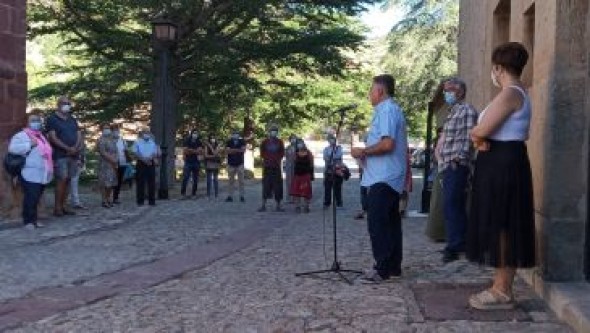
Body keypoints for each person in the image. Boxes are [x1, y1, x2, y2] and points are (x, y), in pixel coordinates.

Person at [467, 42, 535, 310]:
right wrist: (479, 137)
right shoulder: (516, 92)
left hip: (502, 163)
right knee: (501, 222)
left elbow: (482, 129)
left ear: (498, 67)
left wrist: (478, 136)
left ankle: (503, 290)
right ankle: (500, 285)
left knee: (504, 224)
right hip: (501, 160)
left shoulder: (510, 93)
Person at [351, 74, 408, 284]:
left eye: (371, 89)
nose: (369, 94)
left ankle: (382, 268)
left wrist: (363, 151)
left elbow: (387, 144)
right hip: (385, 176)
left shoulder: (387, 110)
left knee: (378, 223)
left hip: (384, 177)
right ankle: (393, 266)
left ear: (380, 91)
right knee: (391, 222)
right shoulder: (388, 110)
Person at [438, 77, 478, 263]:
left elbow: (471, 137)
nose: (446, 93)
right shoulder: (452, 112)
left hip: (457, 165)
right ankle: (458, 241)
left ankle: (455, 245)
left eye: (449, 89)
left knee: (452, 204)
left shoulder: (467, 110)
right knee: (451, 206)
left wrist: (457, 158)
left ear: (460, 91)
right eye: (445, 90)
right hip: (447, 165)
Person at [8, 113, 54, 229]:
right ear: (27, 123)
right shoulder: (21, 135)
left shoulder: (41, 136)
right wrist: (29, 144)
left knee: (36, 197)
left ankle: (34, 220)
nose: (36, 122)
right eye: (33, 120)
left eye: (38, 120)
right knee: (31, 197)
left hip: (42, 172)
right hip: (29, 172)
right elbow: (12, 149)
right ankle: (28, 221)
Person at [46, 96, 83, 216]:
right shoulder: (52, 119)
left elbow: (78, 134)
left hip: (73, 154)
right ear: (58, 104)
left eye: (68, 103)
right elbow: (53, 137)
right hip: (60, 155)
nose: (67, 105)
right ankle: (57, 208)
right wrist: (67, 148)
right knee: (61, 180)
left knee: (68, 180)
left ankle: (64, 206)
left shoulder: (72, 119)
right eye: (64, 103)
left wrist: (75, 148)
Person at [258, 124, 285, 212]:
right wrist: (267, 159)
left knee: (278, 187)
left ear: (277, 133)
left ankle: (278, 205)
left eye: (275, 131)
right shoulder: (264, 142)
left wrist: (276, 159)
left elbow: (282, 152)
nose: (274, 133)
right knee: (265, 186)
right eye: (272, 131)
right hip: (267, 167)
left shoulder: (280, 142)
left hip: (276, 167)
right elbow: (262, 152)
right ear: (269, 132)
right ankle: (263, 205)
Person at [425, 127, 446, 242]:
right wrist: (441, 162)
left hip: (446, 168)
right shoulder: (443, 136)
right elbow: (437, 151)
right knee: (439, 201)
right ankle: (438, 232)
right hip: (442, 169)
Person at [132, 128, 159, 206]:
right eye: (145, 133)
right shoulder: (137, 142)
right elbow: (135, 152)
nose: (146, 134)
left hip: (150, 163)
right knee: (140, 183)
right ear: (142, 134)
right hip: (141, 163)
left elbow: (155, 153)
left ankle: (152, 201)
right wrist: (144, 160)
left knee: (152, 183)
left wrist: (149, 159)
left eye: (148, 133)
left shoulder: (152, 142)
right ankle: (140, 201)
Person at [96, 123, 118, 208]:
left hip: (113, 164)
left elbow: (116, 151)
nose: (107, 130)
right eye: (105, 128)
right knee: (104, 183)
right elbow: (103, 152)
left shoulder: (112, 139)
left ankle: (108, 198)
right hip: (104, 164)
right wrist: (112, 160)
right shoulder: (100, 140)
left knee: (111, 182)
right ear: (102, 130)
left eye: (108, 128)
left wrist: (116, 160)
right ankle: (104, 200)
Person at [289, 139, 314, 213]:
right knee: (297, 191)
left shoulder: (309, 153)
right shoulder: (295, 153)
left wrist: (311, 175)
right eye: (298, 143)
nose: (300, 145)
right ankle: (297, 206)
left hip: (306, 175)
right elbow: (292, 163)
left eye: (301, 143)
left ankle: (306, 206)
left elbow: (311, 164)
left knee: (306, 192)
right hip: (297, 175)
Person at [323, 134, 344, 208]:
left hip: (338, 171)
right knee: (327, 188)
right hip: (328, 171)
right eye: (330, 139)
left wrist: (331, 157)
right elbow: (325, 158)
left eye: (333, 139)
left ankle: (339, 203)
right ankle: (327, 203)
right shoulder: (326, 149)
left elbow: (338, 156)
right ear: (328, 141)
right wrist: (332, 158)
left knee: (337, 188)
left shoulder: (339, 148)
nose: (332, 141)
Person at [225, 129, 247, 203]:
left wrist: (232, 150)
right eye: (234, 134)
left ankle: (242, 196)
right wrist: (238, 150)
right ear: (232, 135)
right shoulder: (229, 141)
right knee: (231, 181)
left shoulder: (242, 141)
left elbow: (243, 150)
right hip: (231, 164)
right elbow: (228, 151)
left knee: (241, 181)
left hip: (240, 164)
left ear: (239, 135)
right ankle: (230, 196)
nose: (235, 135)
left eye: (237, 134)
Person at [180, 129, 203, 199]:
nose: (195, 135)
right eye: (194, 133)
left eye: (196, 133)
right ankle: (183, 194)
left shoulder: (199, 142)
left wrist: (190, 150)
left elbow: (199, 151)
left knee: (195, 179)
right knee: (185, 178)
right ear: (191, 134)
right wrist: (195, 151)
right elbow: (185, 151)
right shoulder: (187, 140)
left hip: (196, 162)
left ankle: (194, 194)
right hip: (188, 162)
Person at [112, 123, 131, 204]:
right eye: (115, 130)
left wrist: (128, 159)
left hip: (122, 163)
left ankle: (116, 197)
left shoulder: (122, 141)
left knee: (119, 181)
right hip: (112, 163)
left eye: (117, 130)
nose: (116, 131)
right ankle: (108, 197)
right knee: (111, 180)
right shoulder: (109, 140)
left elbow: (126, 151)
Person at [69, 139, 86, 209]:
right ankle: (75, 202)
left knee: (74, 183)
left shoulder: (82, 143)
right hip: (73, 163)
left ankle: (75, 201)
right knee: (73, 183)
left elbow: (83, 154)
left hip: (78, 164)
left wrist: (82, 162)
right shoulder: (73, 141)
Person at [204, 134, 222, 200]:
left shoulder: (218, 145)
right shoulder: (206, 146)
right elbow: (206, 155)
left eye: (214, 138)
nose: (212, 139)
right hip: (208, 164)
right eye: (211, 138)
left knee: (215, 180)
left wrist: (210, 146)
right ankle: (208, 195)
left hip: (216, 164)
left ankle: (216, 195)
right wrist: (214, 156)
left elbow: (216, 153)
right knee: (208, 180)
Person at [399, 148, 413, 217]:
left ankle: (401, 210)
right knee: (404, 195)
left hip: (401, 179)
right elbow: (409, 170)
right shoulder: (407, 157)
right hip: (405, 179)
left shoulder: (401, 157)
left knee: (402, 195)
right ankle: (402, 210)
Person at [284, 134, 297, 204]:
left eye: (294, 138)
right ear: (290, 140)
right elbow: (285, 156)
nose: (293, 140)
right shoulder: (287, 148)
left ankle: (295, 198)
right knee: (289, 182)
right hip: (289, 166)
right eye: (292, 138)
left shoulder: (298, 147)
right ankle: (289, 198)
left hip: (296, 166)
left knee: (295, 182)